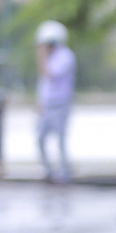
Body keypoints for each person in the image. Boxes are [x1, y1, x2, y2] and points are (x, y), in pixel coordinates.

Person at [34, 21, 75, 184]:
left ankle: (65, 174)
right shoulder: (49, 58)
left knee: (61, 141)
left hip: (60, 105)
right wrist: (39, 103)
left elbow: (49, 74)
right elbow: (43, 85)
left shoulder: (65, 56)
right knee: (40, 139)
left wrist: (41, 57)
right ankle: (48, 171)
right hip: (47, 106)